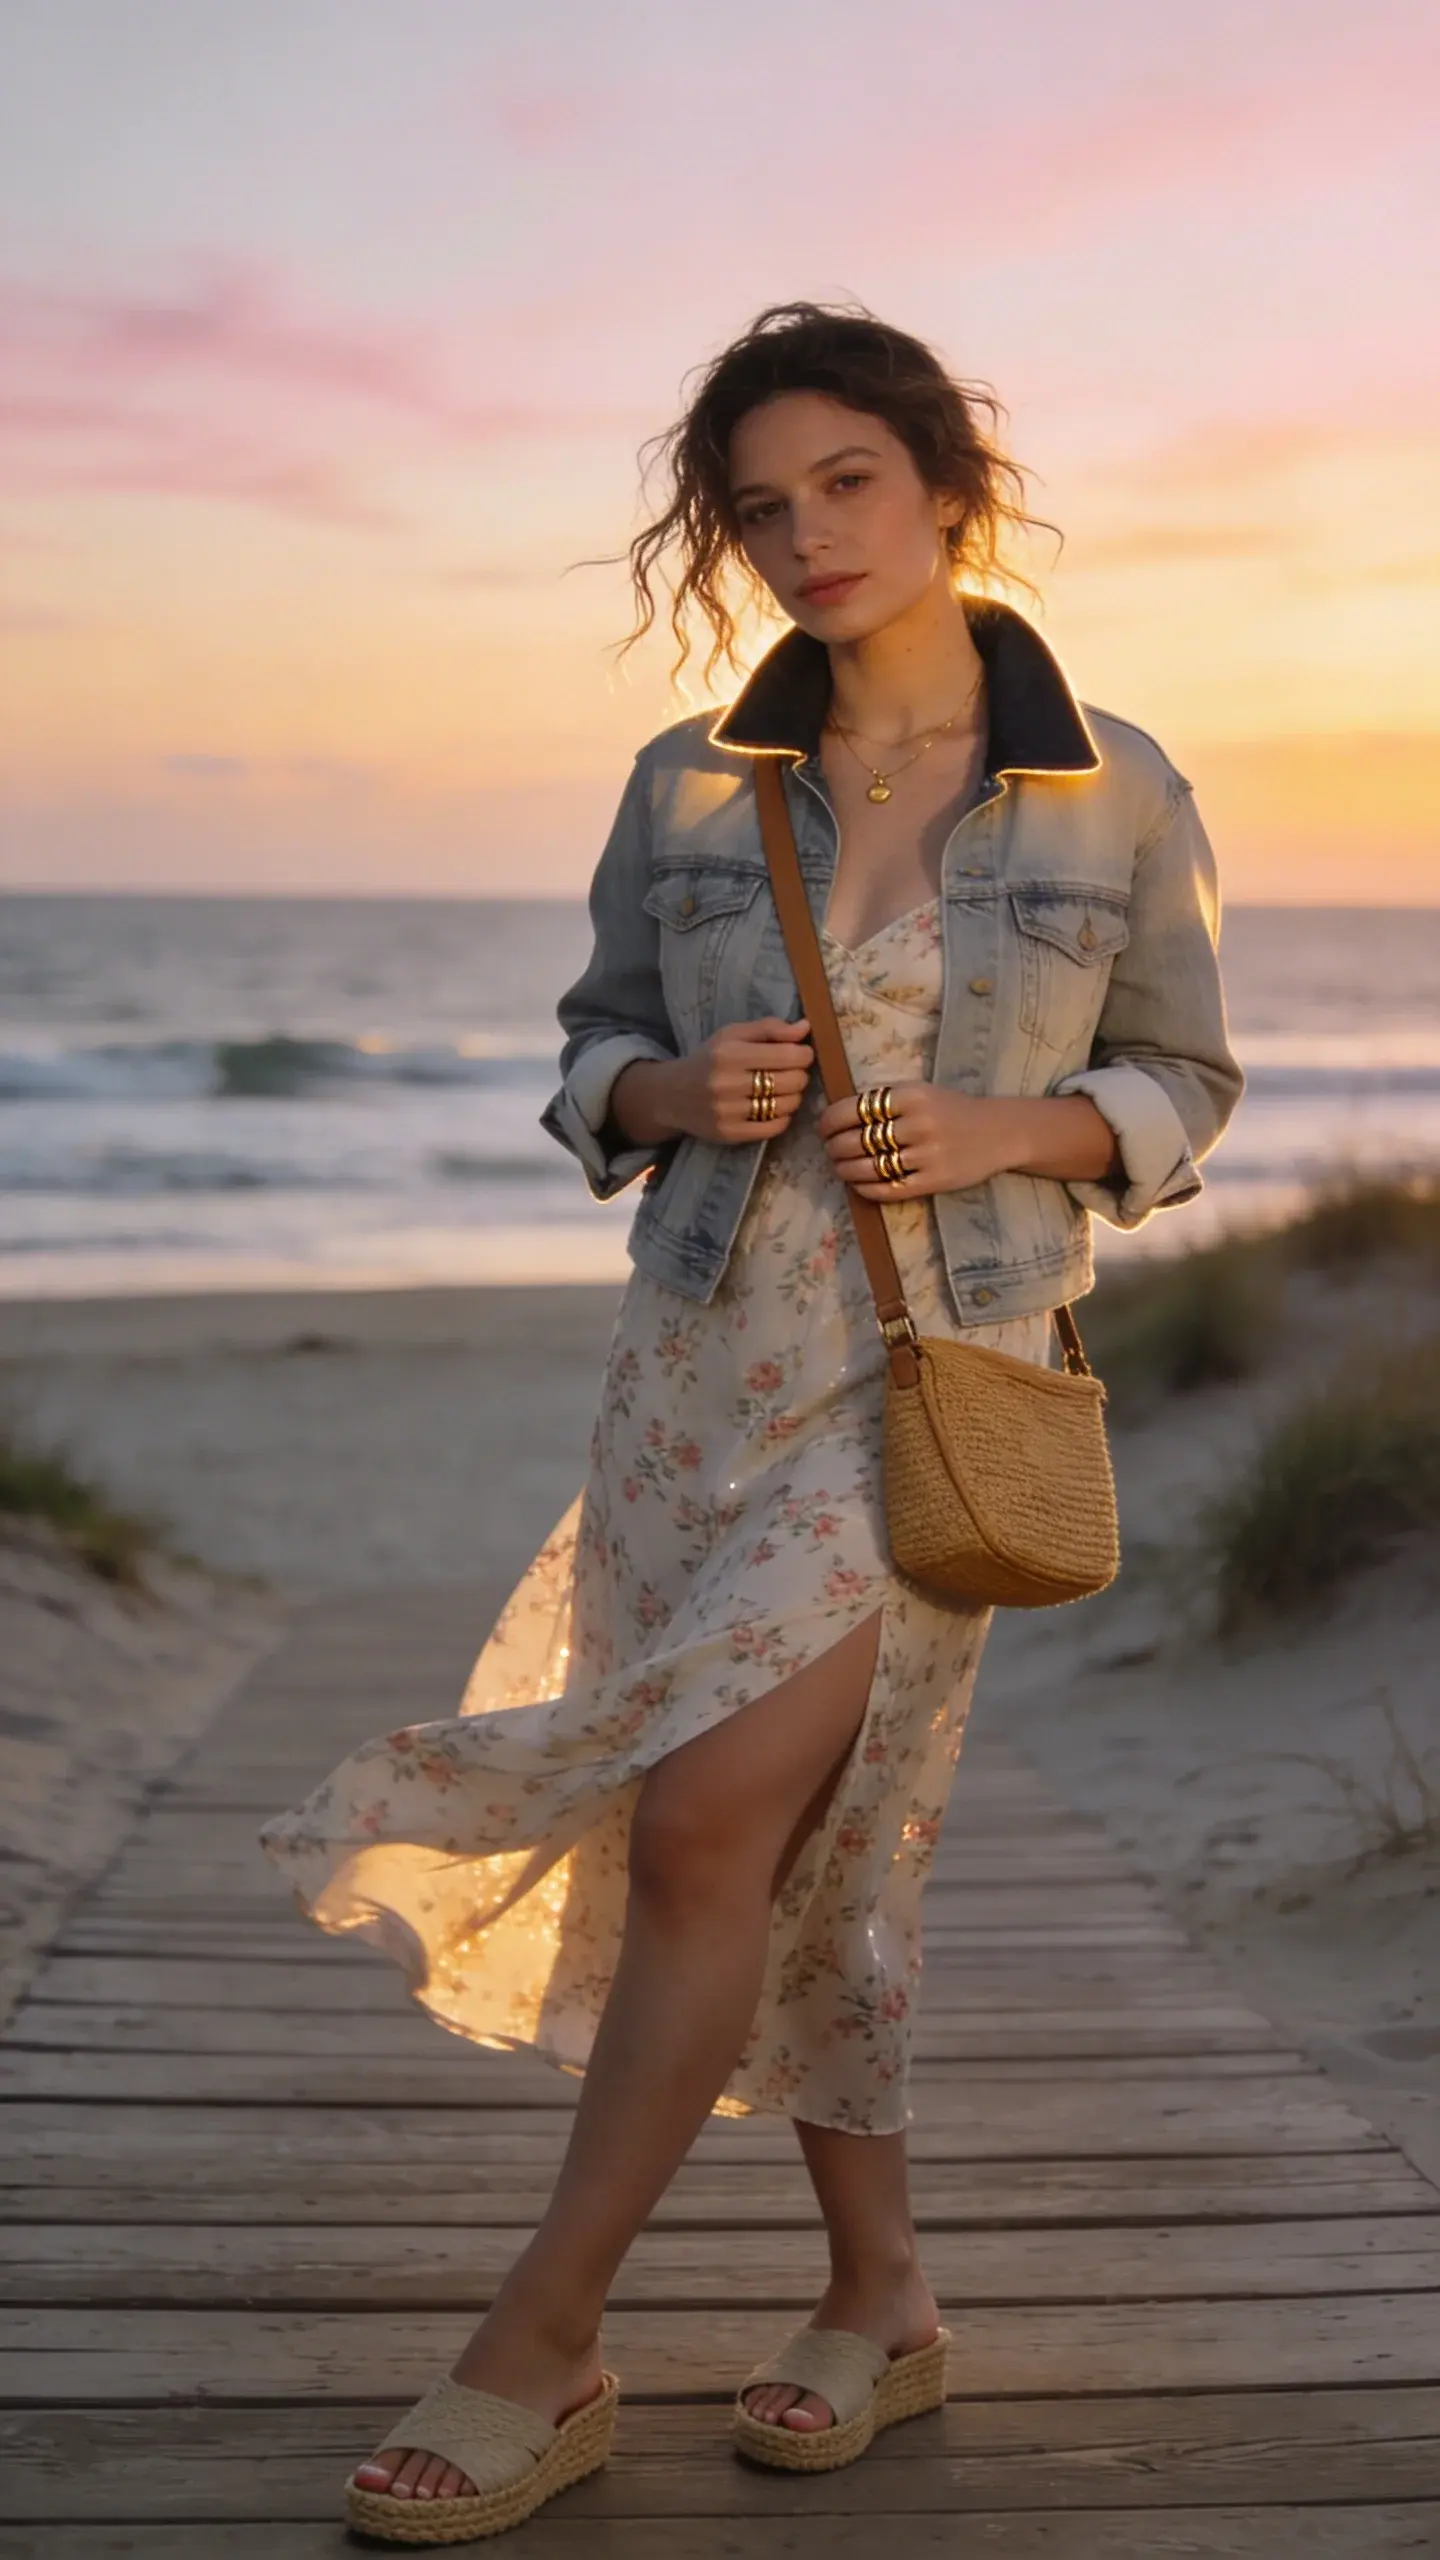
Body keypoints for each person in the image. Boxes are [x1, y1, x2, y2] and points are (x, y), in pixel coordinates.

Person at [260, 297, 1244, 2544]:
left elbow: (1187, 1085)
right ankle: (882, 2292)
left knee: (711, 1820)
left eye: (848, 484)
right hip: (695, 1371)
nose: (806, 538)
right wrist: (669, 1092)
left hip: (929, 1390)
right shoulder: (692, 784)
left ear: (945, 484)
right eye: (760, 506)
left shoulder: (1118, 783)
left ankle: (543, 2333)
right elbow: (586, 1055)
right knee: (812, 1854)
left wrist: (1016, 1123)